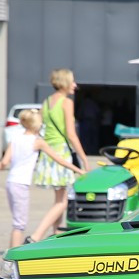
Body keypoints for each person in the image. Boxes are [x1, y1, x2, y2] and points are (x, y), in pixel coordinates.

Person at [0, 109, 83, 248]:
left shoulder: (16, 138)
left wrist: (0, 165)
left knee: (17, 222)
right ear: (36, 125)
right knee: (20, 224)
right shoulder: (37, 142)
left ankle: (13, 254)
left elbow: (4, 162)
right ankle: (14, 256)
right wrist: (78, 170)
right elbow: (59, 159)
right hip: (21, 184)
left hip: (10, 182)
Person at [30, 68, 89, 242]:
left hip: (48, 155)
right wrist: (84, 159)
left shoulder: (47, 102)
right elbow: (71, 134)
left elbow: (39, 128)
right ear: (65, 83)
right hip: (61, 154)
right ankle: (36, 236)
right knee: (62, 202)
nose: (75, 85)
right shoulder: (66, 102)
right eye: (72, 82)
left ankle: (56, 234)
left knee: (59, 198)